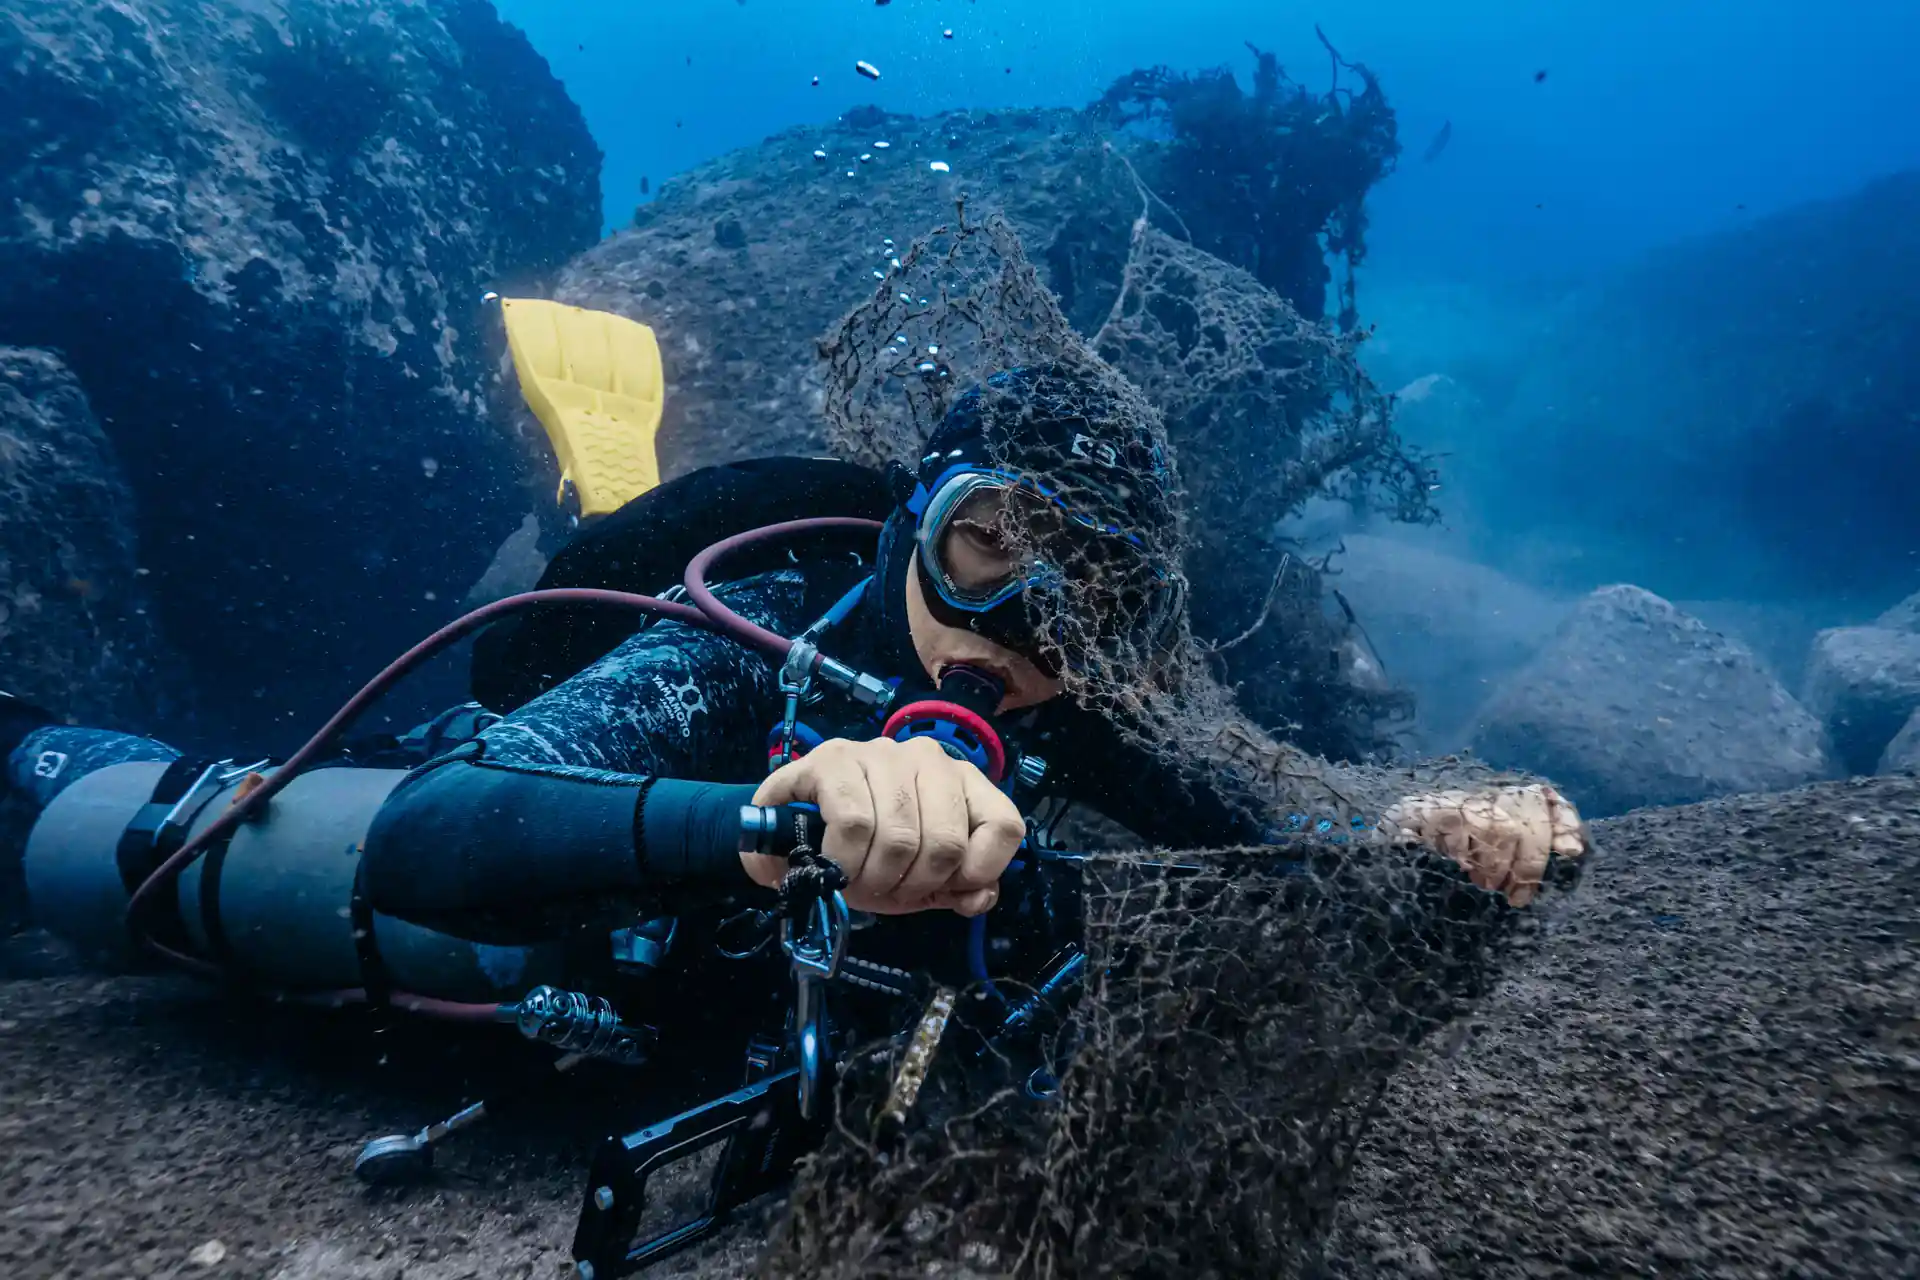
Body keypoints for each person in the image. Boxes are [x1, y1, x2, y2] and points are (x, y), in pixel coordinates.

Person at [0, 366, 1584, 968]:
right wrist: (775, 817)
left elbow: (1248, 812)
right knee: (116, 833)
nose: (1025, 626)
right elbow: (426, 831)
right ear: (908, 531)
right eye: (990, 547)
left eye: (1090, 592)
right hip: (514, 839)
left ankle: (597, 478)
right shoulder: (754, 631)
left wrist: (1420, 828)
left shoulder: (1063, 698)